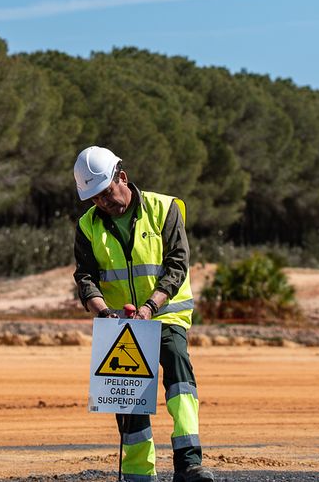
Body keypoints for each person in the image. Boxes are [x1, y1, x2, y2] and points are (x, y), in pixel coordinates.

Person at [72, 145, 215, 482]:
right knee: (126, 393)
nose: (102, 203)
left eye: (106, 193)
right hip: (119, 322)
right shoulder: (88, 225)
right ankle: (138, 472)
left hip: (165, 315)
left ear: (122, 177)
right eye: (95, 198)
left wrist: (151, 307)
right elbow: (86, 277)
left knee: (178, 368)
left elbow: (177, 265)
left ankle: (189, 464)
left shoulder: (164, 208)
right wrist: (104, 312)